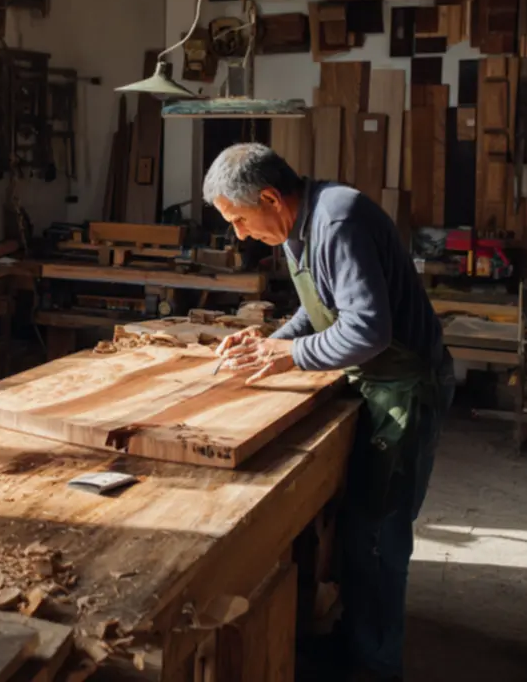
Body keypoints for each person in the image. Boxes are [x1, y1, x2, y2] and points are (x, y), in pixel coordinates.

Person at [204, 143, 455, 682]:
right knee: (354, 528)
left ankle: (376, 667)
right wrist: (270, 342)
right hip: (375, 380)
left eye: (240, 220)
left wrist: (289, 356)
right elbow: (320, 308)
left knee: (380, 538)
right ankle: (352, 638)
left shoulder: (337, 219)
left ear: (270, 197)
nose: (240, 235)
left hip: (405, 387)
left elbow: (366, 328)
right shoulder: (300, 224)